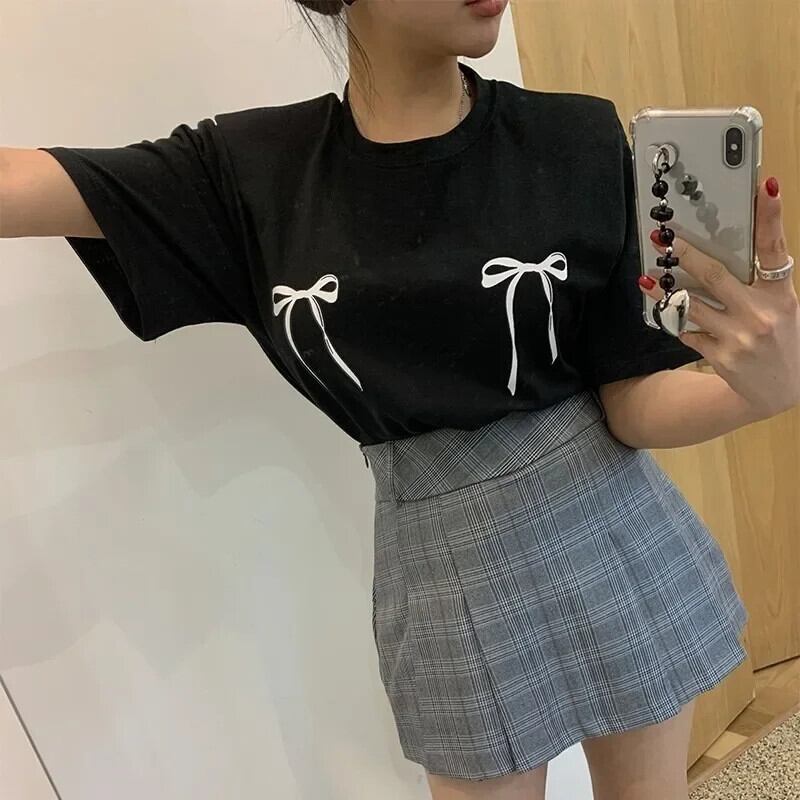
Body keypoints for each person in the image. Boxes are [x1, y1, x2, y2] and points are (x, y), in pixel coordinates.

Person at [2, 0, 798, 797]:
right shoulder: (251, 173)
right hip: (445, 574)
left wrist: (760, 392)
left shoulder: (577, 135)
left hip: (612, 525)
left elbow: (631, 403)